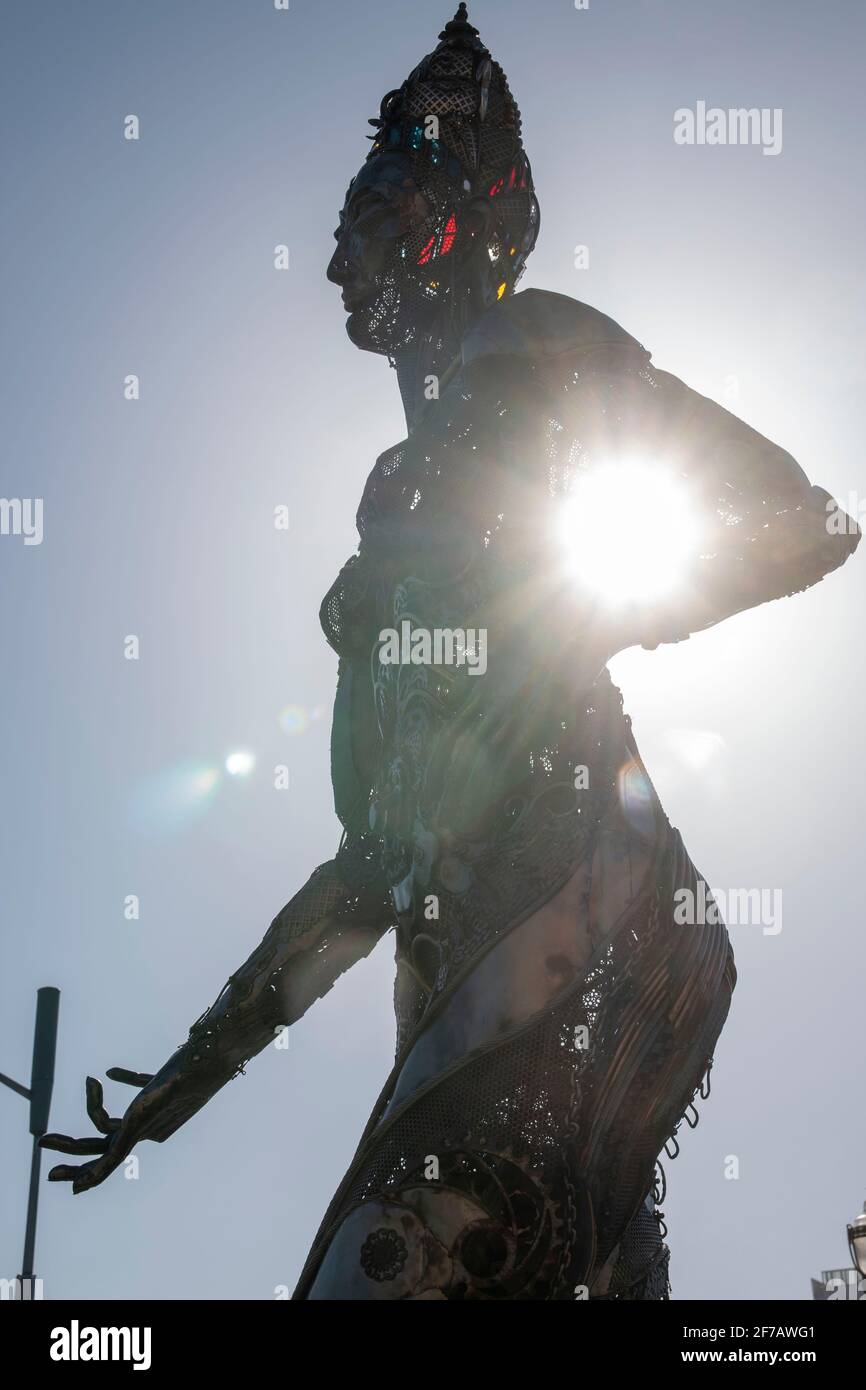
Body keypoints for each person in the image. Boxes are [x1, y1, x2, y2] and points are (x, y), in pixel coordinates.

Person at [43, 5, 859, 1300]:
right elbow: (369, 865)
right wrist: (178, 1085)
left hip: (565, 922)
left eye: (374, 210)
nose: (337, 264)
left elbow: (805, 521)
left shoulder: (529, 343)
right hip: (464, 986)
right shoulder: (389, 535)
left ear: (458, 214)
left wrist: (579, 618)